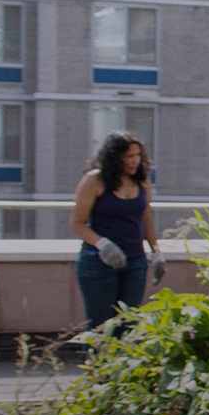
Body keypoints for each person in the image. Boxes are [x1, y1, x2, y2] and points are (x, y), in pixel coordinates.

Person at [70, 130, 163, 331]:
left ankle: (121, 363)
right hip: (99, 263)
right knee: (101, 328)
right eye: (128, 156)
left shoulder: (142, 180)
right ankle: (95, 363)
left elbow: (146, 218)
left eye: (137, 156)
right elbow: (77, 223)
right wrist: (104, 244)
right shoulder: (95, 180)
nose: (134, 161)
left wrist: (156, 252)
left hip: (135, 262)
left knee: (128, 325)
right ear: (114, 157)